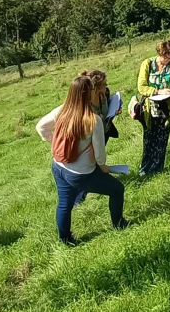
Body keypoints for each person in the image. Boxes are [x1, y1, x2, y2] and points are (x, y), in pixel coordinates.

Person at [32, 73, 127, 246]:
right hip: (82, 173)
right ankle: (119, 224)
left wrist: (54, 142)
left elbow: (40, 127)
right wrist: (104, 168)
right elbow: (100, 156)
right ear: (87, 93)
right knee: (117, 189)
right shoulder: (93, 120)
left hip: (59, 166)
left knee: (64, 205)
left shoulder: (62, 110)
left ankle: (66, 240)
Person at [137, 41, 170, 174]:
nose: (168, 60)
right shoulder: (147, 64)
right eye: (166, 57)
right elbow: (141, 87)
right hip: (149, 109)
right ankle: (145, 171)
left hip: (167, 108)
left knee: (162, 140)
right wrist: (158, 91)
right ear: (159, 53)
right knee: (149, 139)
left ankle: (158, 170)